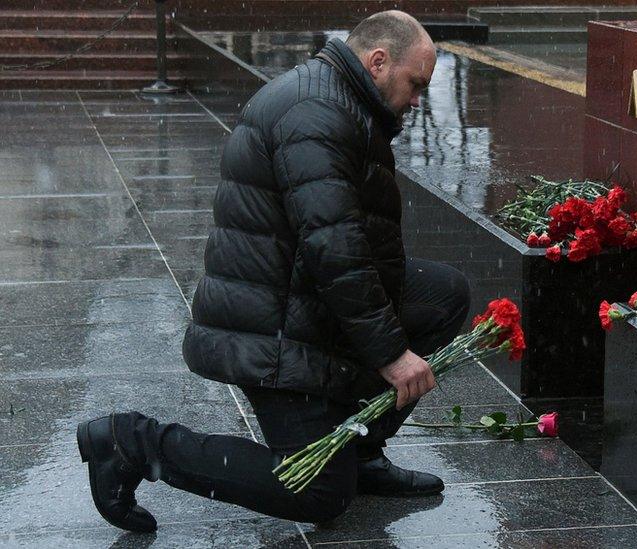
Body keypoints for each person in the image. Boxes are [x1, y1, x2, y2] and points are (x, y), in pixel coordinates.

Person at [76, 11, 471, 533]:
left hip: (294, 292)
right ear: (378, 62)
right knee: (319, 494)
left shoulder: (339, 97)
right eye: (415, 84)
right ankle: (132, 443)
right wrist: (392, 356)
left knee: (444, 294)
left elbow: (341, 244)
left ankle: (360, 452)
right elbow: (335, 250)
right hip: (271, 326)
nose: (418, 100)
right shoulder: (318, 114)